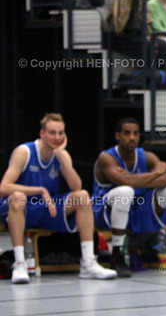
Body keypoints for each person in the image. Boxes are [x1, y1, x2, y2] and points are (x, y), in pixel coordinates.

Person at [0, 114, 117, 283]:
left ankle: (88, 263)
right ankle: (19, 264)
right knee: (18, 197)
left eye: (61, 133)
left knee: (82, 197)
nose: (57, 137)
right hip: (19, 207)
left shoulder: (61, 154)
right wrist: (40, 190)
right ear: (42, 133)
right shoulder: (24, 152)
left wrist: (62, 157)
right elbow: (4, 187)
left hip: (47, 208)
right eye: (52, 133)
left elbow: (76, 187)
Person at [92, 118, 166, 277]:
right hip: (104, 211)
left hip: (135, 210)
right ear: (117, 136)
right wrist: (156, 174)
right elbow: (125, 182)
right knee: (125, 191)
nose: (132, 137)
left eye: (136, 134)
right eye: (127, 133)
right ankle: (117, 256)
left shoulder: (146, 156)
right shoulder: (106, 158)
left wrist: (138, 179)